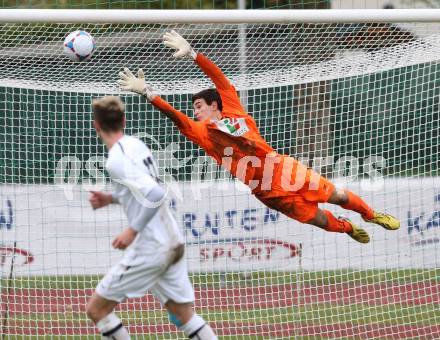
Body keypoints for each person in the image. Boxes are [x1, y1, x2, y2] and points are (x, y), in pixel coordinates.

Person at [118, 30, 400, 244]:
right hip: (267, 189)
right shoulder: (202, 133)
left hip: (284, 168)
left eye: (199, 106)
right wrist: (149, 94)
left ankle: (371, 214)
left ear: (215, 104)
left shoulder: (233, 108)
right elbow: (175, 117)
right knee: (318, 219)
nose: (195, 112)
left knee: (336, 194)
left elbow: (220, 80)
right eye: (193, 109)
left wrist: (193, 53)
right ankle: (347, 228)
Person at [86, 96, 217, 340]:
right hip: (172, 241)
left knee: (97, 309)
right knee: (183, 315)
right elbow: (142, 189)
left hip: (152, 247)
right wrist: (111, 198)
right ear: (123, 121)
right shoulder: (136, 144)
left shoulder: (115, 159)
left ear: (96, 125)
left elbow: (155, 192)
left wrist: (132, 230)